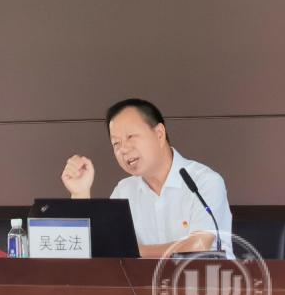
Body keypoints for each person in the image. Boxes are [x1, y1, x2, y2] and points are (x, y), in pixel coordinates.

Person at [61, 98, 232, 258]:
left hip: (206, 278)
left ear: (159, 133)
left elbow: (198, 246)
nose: (123, 149)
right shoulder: (123, 191)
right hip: (144, 281)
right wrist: (80, 193)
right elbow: (98, 248)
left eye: (130, 137)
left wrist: (130, 251)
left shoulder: (204, 182)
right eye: (116, 143)